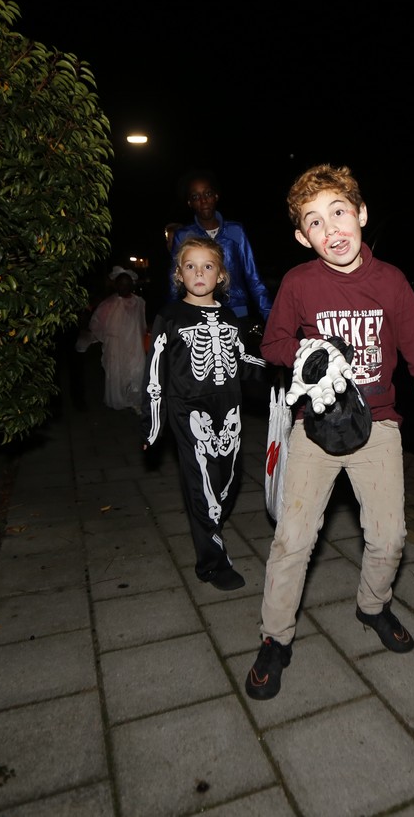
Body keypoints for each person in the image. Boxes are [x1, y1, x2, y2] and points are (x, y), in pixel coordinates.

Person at [245, 164, 414, 700]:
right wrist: (309, 352)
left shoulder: (390, 282)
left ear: (361, 214)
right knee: (293, 538)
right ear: (303, 237)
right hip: (315, 426)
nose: (331, 229)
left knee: (389, 537)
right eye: (315, 222)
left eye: (338, 212)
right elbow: (272, 345)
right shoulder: (299, 283)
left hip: (378, 423)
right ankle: (275, 638)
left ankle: (373, 606)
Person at [142, 236, 268, 590]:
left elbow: (244, 361)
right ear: (179, 274)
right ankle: (212, 563)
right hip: (188, 411)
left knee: (227, 481)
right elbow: (154, 373)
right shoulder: (169, 316)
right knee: (202, 486)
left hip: (229, 409)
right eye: (191, 266)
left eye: (208, 266)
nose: (199, 273)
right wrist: (152, 425)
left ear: (221, 275)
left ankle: (211, 528)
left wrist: (284, 366)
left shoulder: (229, 317)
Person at [166, 169, 274, 330]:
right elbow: (174, 280)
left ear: (216, 196)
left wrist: (272, 320)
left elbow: (253, 278)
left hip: (237, 314)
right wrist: (170, 320)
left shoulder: (236, 231)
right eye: (195, 197)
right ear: (190, 203)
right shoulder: (183, 236)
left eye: (208, 194)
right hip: (197, 315)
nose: (203, 200)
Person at [89, 266, 146, 412]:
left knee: (136, 371)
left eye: (127, 284)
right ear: (116, 285)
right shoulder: (109, 303)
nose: (124, 287)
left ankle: (134, 400)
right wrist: (107, 336)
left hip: (134, 344)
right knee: (118, 372)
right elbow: (96, 323)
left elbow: (142, 323)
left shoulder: (139, 302)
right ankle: (120, 399)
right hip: (116, 345)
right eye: (121, 284)